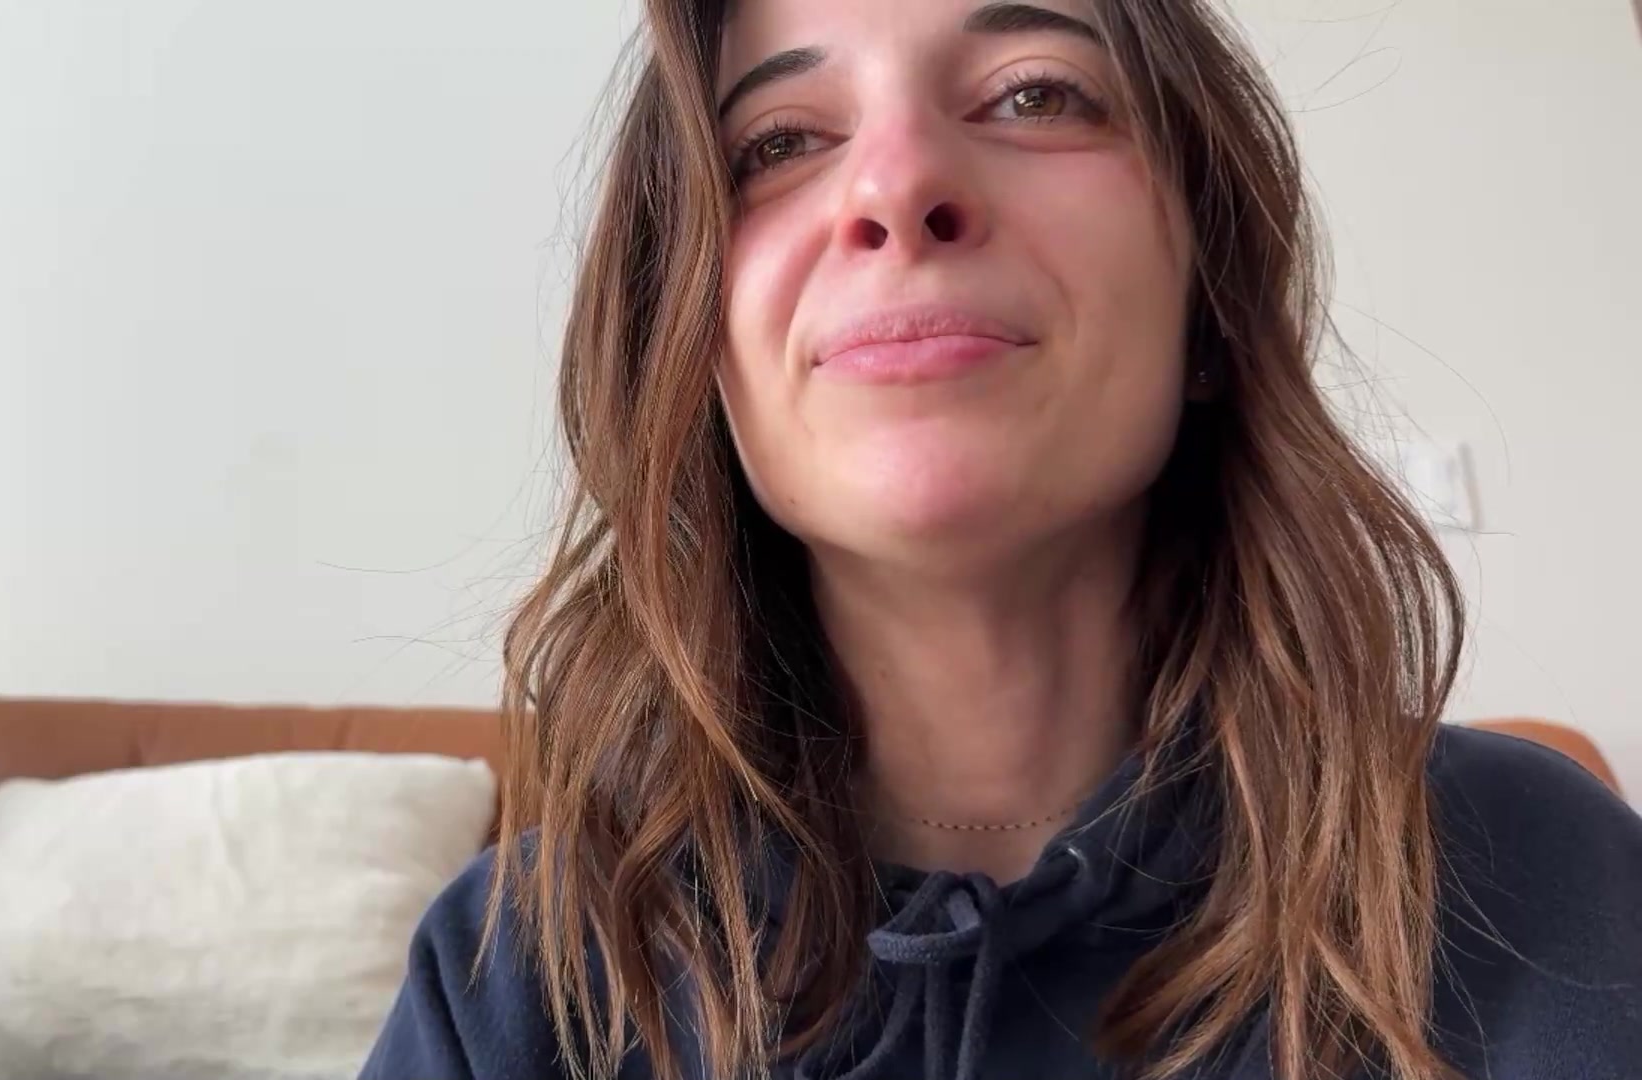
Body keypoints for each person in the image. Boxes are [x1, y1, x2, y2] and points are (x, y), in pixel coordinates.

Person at [360, 0, 1642, 1077]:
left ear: (1208, 302)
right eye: (780, 140)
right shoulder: (516, 975)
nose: (898, 185)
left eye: (1035, 95)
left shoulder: (1549, 877)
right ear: (692, 354)